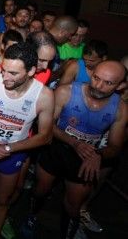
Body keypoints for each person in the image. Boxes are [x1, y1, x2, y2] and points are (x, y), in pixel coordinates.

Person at [23, 61, 127, 238]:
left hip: (86, 158)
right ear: (91, 73)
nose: (99, 86)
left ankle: (68, 232)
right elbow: (47, 127)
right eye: (96, 78)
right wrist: (74, 143)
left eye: (108, 83)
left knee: (73, 205)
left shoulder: (121, 109)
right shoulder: (66, 91)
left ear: (121, 86)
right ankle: (31, 216)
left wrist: (98, 156)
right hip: (56, 149)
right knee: (41, 189)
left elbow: (115, 147)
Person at [0, 42, 54, 239]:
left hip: (12, 153)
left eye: (13, 73)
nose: (5, 77)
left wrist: (8, 147)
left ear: (31, 71)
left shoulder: (44, 96)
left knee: (2, 199)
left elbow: (45, 136)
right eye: (4, 70)